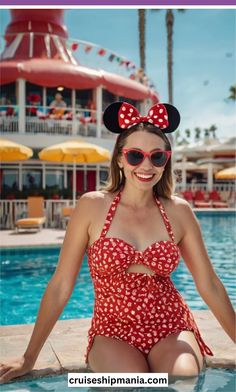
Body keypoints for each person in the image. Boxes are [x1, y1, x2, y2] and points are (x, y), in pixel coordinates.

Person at [0, 102, 235, 384]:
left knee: (182, 379)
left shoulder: (179, 211)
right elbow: (61, 284)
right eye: (135, 155)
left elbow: (208, 283)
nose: (146, 166)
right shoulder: (92, 207)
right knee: (131, 383)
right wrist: (29, 357)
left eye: (157, 157)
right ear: (120, 159)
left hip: (171, 325)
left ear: (166, 161)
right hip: (112, 330)